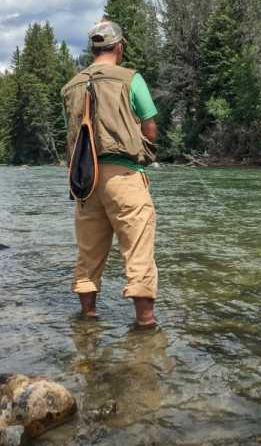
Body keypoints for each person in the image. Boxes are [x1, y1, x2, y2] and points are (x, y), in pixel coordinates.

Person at [61, 18, 159, 329]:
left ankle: (88, 320)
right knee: (138, 251)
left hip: (84, 180)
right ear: (119, 47)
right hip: (124, 176)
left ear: (93, 50)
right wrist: (145, 148)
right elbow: (150, 125)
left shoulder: (71, 86)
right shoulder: (131, 79)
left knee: (88, 254)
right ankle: (145, 324)